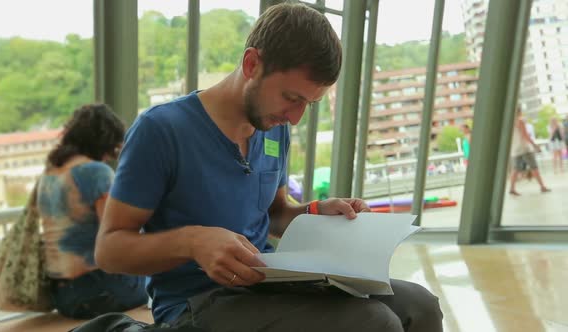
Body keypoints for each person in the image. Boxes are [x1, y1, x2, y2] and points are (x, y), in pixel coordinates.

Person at [95, 4, 443, 332]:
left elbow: (274, 214)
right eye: (292, 98)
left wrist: (315, 213)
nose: (295, 117)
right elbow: (109, 251)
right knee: (369, 321)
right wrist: (193, 241)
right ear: (251, 65)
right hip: (196, 302)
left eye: (309, 103)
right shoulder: (162, 130)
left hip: (267, 281)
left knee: (420, 304)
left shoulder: (273, 129)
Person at [37, 104, 148, 319]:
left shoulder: (50, 173)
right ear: (104, 141)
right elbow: (117, 234)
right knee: (162, 277)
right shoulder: (95, 172)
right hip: (97, 291)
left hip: (61, 295)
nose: (109, 156)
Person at [508, 107, 551, 196]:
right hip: (524, 148)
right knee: (534, 167)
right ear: (519, 112)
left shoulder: (509, 123)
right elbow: (525, 136)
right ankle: (542, 186)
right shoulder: (520, 121)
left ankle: (512, 188)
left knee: (515, 169)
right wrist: (535, 146)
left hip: (515, 149)